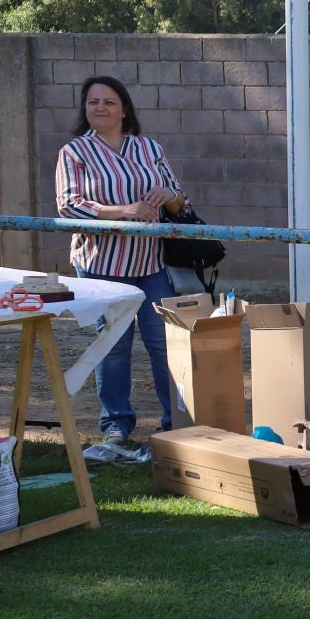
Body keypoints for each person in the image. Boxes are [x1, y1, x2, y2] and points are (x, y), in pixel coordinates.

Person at [55, 75, 189, 446]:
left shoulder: (149, 148)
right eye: (93, 102)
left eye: (108, 102)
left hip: (151, 265)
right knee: (114, 346)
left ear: (124, 109)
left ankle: (175, 420)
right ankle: (116, 424)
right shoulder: (75, 153)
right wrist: (123, 211)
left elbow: (182, 203)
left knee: (164, 342)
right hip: (103, 267)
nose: (100, 108)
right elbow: (69, 206)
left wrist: (170, 195)